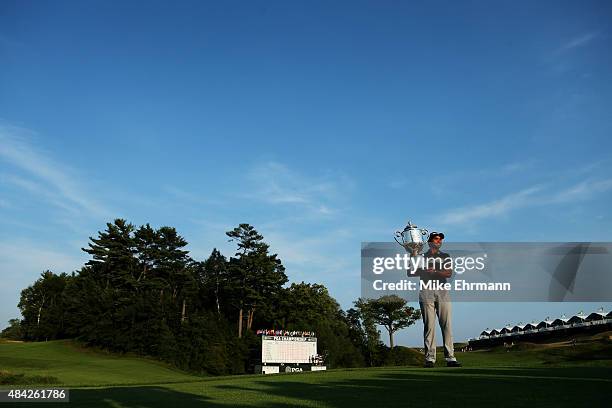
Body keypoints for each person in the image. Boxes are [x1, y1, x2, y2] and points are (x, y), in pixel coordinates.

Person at [416, 232, 462, 368]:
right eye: (436, 239)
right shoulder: (421, 256)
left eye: (440, 239)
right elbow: (410, 272)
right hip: (426, 291)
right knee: (429, 326)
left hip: (442, 290)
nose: (439, 241)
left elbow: (449, 273)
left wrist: (434, 272)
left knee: (446, 325)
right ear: (430, 241)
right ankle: (430, 359)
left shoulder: (445, 256)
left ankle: (450, 358)